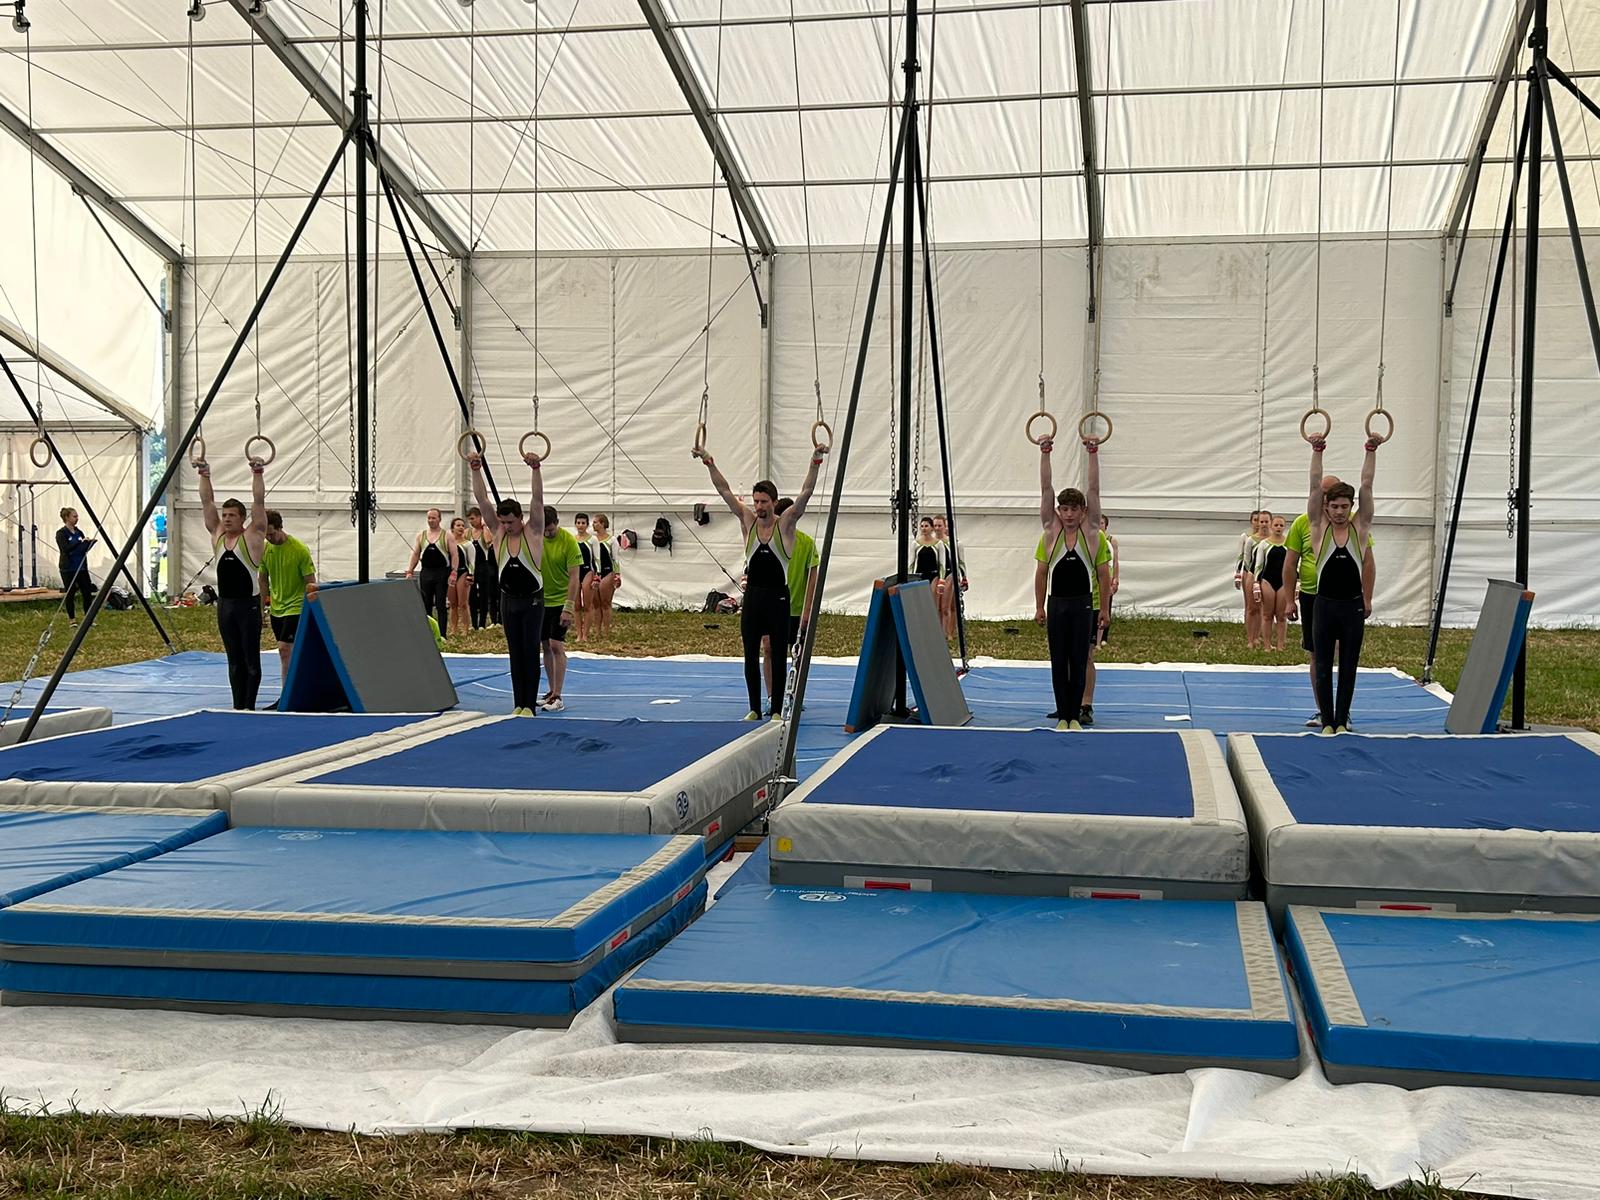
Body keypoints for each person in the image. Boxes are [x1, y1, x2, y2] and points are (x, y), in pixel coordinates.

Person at [696, 439, 829, 721]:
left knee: (778, 653)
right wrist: (709, 460)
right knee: (750, 654)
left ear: (773, 502)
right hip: (754, 598)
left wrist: (815, 460)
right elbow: (724, 490)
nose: (758, 506)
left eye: (763, 502)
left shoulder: (786, 525)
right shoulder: (748, 521)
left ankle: (778, 709)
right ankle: (755, 708)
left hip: (778, 598)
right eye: (756, 501)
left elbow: (806, 493)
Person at [1296, 431, 1381, 733]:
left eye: (1345, 506)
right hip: (1324, 606)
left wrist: (1371, 449)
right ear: (1326, 507)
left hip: (1352, 607)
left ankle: (1342, 721)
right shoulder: (1318, 528)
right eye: (1335, 506)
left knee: (1348, 665)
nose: (1340, 512)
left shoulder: (1360, 528)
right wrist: (1317, 450)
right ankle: (1327, 721)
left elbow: (1367, 485)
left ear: (1351, 507)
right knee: (1322, 664)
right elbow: (1314, 485)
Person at [1035, 432, 1109, 731]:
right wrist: (1045, 453)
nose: (1068, 515)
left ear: (1083, 512)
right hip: (1057, 604)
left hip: (1082, 605)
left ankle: (1075, 716)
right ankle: (1062, 714)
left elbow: (1094, 489)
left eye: (1074, 510)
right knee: (1058, 659)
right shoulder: (1050, 531)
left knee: (1078, 659)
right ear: (1058, 511)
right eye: (1063, 509)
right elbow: (1045, 489)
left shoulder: (1091, 533)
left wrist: (1093, 452)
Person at [467, 448, 545, 715]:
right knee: (514, 652)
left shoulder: (533, 531)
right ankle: (518, 704)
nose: (507, 526)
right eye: (503, 522)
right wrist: (475, 470)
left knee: (530, 651)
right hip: (508, 601)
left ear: (520, 518)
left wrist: (536, 469)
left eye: (511, 522)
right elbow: (482, 499)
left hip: (532, 601)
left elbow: (537, 499)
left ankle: (529, 705)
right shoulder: (499, 533)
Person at [197, 452, 269, 710]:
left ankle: (249, 706)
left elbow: (259, 501)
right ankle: (238, 706)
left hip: (248, 606)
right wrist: (204, 473)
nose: (226, 519)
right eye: (224, 515)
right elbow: (207, 501)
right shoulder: (217, 534)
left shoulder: (252, 536)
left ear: (242, 518)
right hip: (225, 606)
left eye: (232, 516)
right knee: (234, 660)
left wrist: (257, 472)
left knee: (250, 660)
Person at [761, 497, 820, 712]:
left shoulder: (806, 543)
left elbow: (812, 578)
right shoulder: (767, 541)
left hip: (796, 609)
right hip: (772, 608)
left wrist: (808, 610)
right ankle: (771, 697)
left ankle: (793, 694)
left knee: (798, 654)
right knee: (769, 649)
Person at [258, 510, 318, 679]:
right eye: (265, 535)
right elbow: (263, 580)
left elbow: (311, 582)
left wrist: (312, 609)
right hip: (277, 608)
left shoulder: (299, 550)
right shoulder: (265, 549)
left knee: (285, 650)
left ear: (280, 527)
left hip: (296, 606)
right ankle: (290, 688)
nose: (269, 538)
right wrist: (261, 609)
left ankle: (287, 691)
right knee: (285, 653)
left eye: (271, 534)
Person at [538, 506, 583, 712]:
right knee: (545, 645)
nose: (547, 534)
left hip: (560, 600)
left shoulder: (568, 541)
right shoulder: (536, 538)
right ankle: (550, 691)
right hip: (541, 600)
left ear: (557, 523)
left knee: (556, 644)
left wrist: (569, 607)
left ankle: (558, 695)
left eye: (550, 529)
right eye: (544, 530)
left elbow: (574, 577)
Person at [1079, 513, 1119, 727]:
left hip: (1091, 603)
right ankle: (1067, 702)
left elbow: (1106, 572)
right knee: (1066, 657)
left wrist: (1104, 607)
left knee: (1086, 655)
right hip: (1067, 603)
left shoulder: (1101, 539)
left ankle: (1086, 705)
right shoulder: (1062, 535)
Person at [405, 509, 454, 638]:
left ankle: (442, 635)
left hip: (441, 573)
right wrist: (410, 571)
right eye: (429, 518)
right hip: (426, 572)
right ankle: (427, 633)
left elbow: (454, 555)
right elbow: (416, 554)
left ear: (439, 519)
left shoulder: (447, 535)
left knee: (440, 604)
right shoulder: (421, 535)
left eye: (434, 518)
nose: (431, 521)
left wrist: (454, 572)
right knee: (426, 603)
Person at [1253, 513, 1289, 652]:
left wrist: (1297, 582)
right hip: (1267, 580)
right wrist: (1256, 583)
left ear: (1284, 527)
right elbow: (1259, 565)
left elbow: (1294, 564)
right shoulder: (1264, 544)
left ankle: (1280, 646)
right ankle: (1267, 646)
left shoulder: (1289, 543)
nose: (1278, 527)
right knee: (1267, 615)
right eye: (1276, 525)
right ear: (1271, 526)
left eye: (1281, 525)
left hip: (1284, 582)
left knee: (1281, 615)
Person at [54, 508, 97, 621]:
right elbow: (65, 549)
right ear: (67, 517)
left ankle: (88, 618)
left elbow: (82, 548)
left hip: (81, 567)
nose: (77, 518)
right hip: (68, 568)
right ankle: (72, 619)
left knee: (87, 592)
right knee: (71, 593)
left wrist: (88, 543)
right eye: (74, 516)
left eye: (77, 516)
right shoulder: (61, 533)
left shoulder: (79, 532)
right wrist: (79, 542)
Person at [1235, 510, 1267, 649]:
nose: (1259, 523)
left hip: (1264, 574)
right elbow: (1242, 556)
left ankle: (1258, 635)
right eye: (1256, 520)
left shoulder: (1268, 538)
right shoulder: (1247, 537)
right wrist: (1239, 574)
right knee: (1250, 606)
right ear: (1251, 522)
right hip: (1249, 572)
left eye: (1262, 521)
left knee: (1261, 606)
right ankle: (1250, 637)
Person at [590, 513, 622, 639]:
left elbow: (615, 559)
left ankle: (607, 632)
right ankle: (598, 632)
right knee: (596, 604)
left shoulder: (612, 540)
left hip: (608, 572)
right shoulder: (592, 539)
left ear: (602, 524)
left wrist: (617, 575)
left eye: (595, 522)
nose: (593, 524)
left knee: (605, 603)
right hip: (595, 572)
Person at [466, 506, 498, 630]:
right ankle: (474, 623)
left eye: (473, 518)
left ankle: (482, 624)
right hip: (472, 566)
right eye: (469, 519)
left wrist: (484, 526)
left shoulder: (485, 531)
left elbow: (488, 541)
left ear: (480, 517)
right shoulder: (468, 532)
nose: (471, 521)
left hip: (483, 566)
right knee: (472, 596)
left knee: (484, 595)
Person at [448, 516, 474, 638]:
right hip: (451, 574)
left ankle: (465, 628)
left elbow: (472, 562)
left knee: (463, 603)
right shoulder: (448, 544)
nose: (461, 527)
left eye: (463, 525)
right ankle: (453, 629)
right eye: (458, 525)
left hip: (463, 573)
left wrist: (470, 576)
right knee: (453, 604)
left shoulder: (468, 544)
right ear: (452, 528)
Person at [573, 512, 595, 641]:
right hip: (575, 573)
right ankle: (579, 634)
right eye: (578, 523)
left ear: (587, 525)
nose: (580, 525)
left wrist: (597, 577)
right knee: (576, 606)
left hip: (588, 572)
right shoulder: (572, 540)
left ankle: (585, 634)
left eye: (583, 523)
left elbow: (597, 560)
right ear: (575, 524)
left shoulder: (592, 540)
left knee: (587, 605)